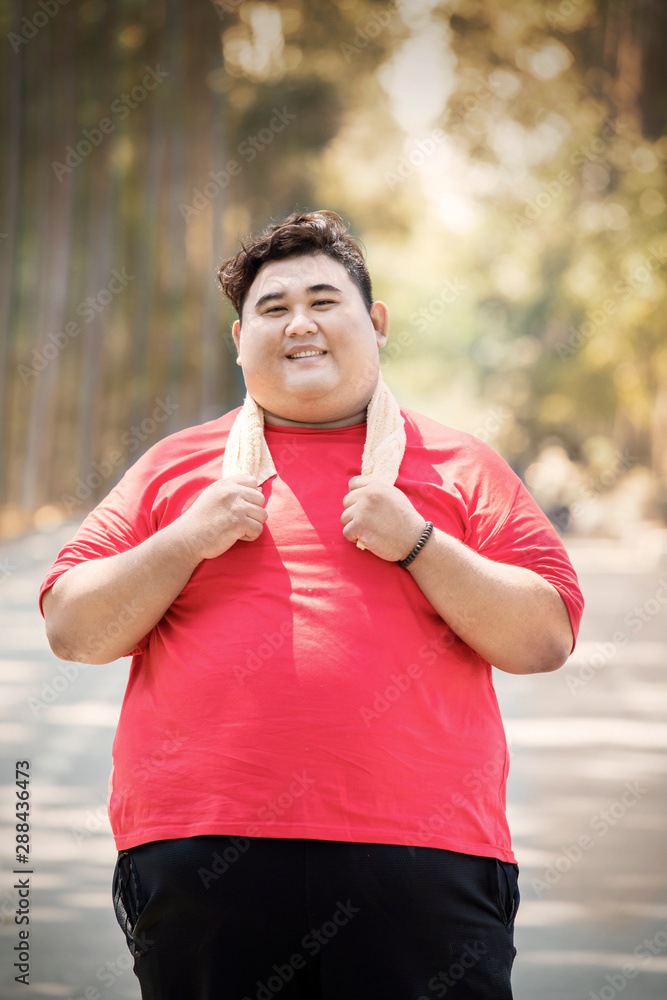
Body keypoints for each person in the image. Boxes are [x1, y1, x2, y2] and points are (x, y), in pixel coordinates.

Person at [39, 209, 584, 1000]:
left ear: (377, 322)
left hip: (425, 859)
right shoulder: (175, 468)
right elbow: (72, 629)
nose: (299, 324)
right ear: (239, 340)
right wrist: (186, 539)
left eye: (323, 301)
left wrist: (418, 542)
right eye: (274, 308)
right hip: (204, 859)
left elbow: (544, 638)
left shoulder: (460, 467)